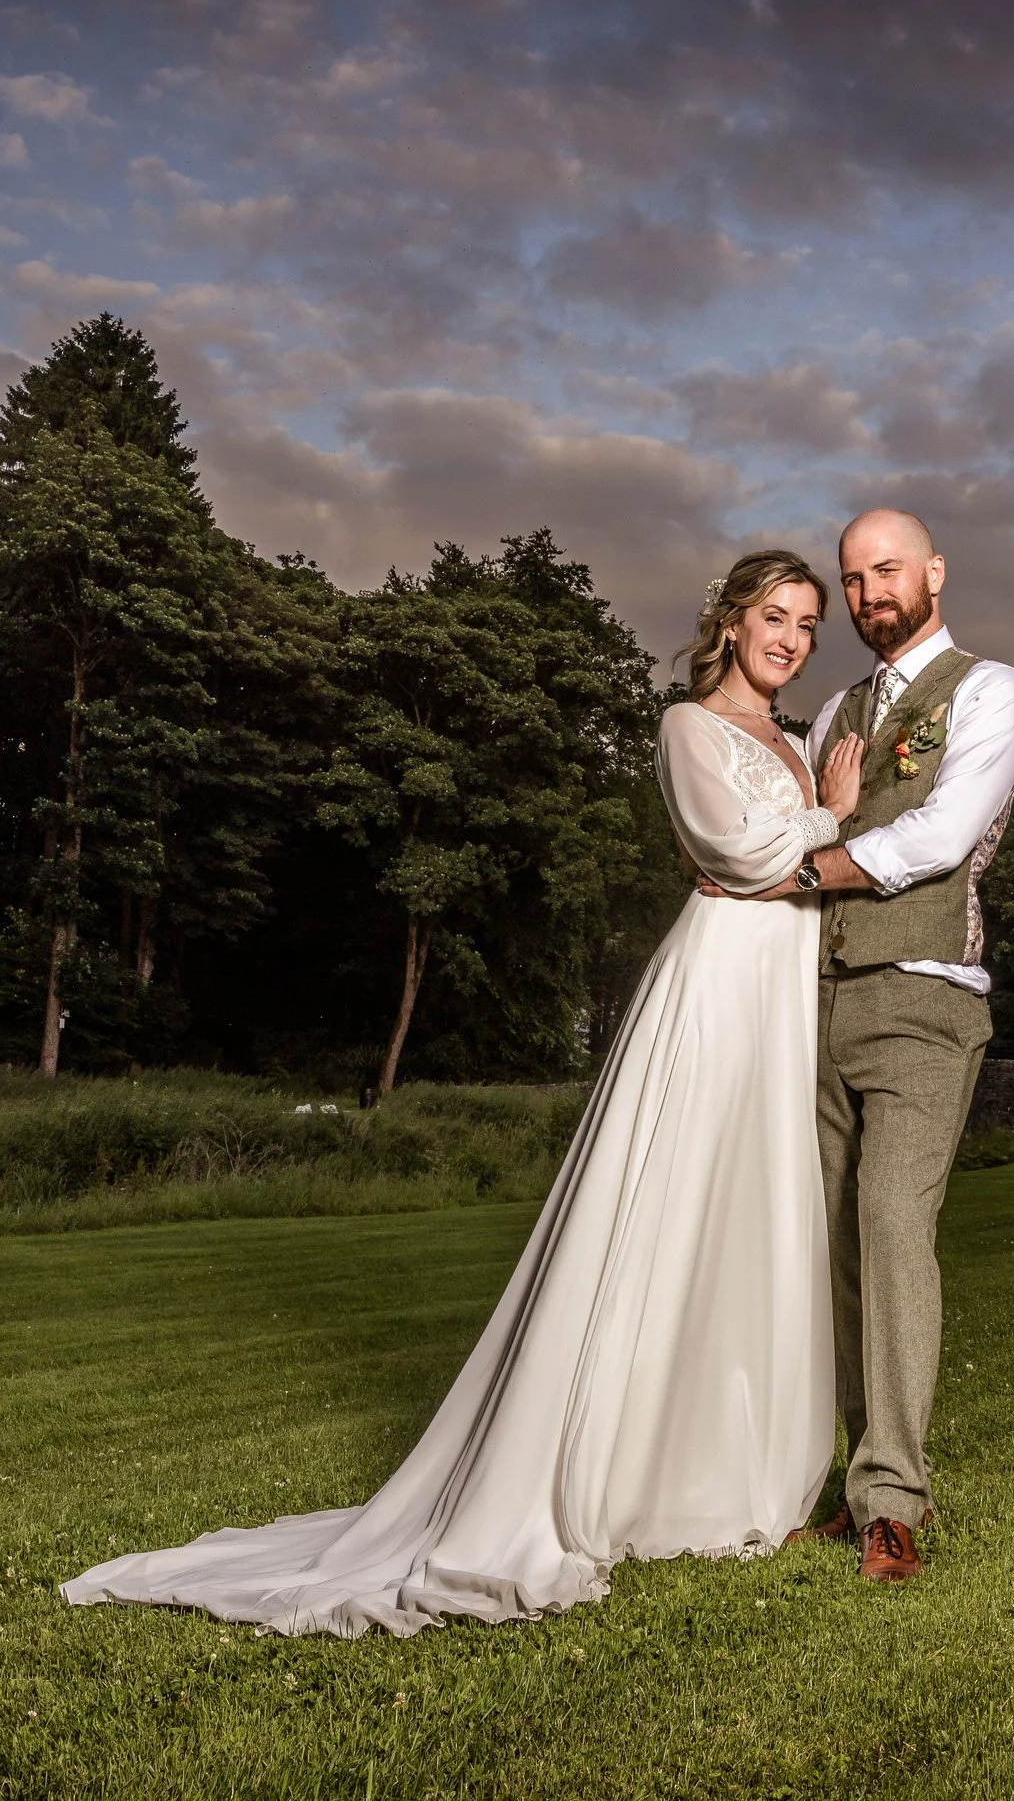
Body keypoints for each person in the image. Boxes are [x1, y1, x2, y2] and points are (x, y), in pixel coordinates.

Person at [61, 550, 864, 1637]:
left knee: (755, 1213)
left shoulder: (799, 738)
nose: (792, 638)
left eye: (809, 624)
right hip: (721, 981)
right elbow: (739, 851)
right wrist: (836, 818)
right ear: (730, 620)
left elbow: (774, 866)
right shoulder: (689, 726)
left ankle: (731, 1469)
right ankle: (610, 1470)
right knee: (672, 1206)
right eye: (775, 615)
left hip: (781, 989)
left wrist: (804, 833)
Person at [776, 508, 1014, 1584]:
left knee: (889, 1222)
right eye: (852, 578)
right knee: (832, 1243)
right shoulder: (838, 704)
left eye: (886, 568)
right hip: (818, 995)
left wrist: (802, 871)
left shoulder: (990, 688)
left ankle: (894, 1501)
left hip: (925, 995)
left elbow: (937, 835)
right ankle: (854, 1485)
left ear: (933, 570)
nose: (868, 590)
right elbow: (798, 815)